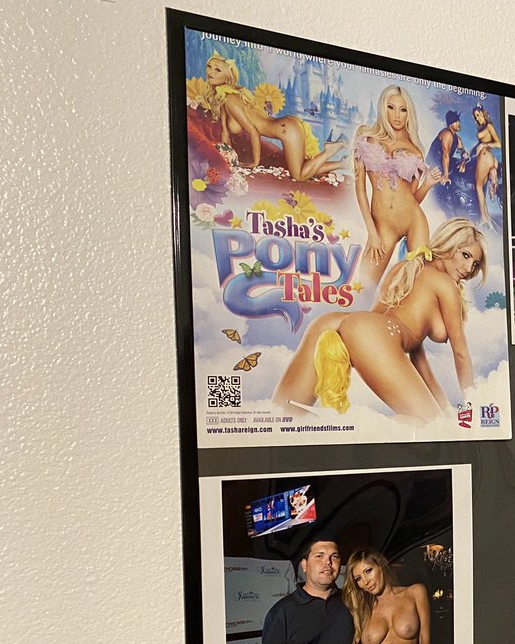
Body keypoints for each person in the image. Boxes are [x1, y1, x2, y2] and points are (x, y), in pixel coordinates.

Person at [272, 218, 486, 422]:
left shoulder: (406, 267)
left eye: (476, 264)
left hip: (340, 322)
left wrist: (444, 410)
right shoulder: (446, 285)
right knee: (429, 427)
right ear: (449, 243)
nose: (469, 269)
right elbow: (460, 353)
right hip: (374, 334)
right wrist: (472, 403)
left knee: (282, 416)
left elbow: (416, 355)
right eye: (465, 255)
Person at [202, 53, 347, 182]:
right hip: (287, 126)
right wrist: (226, 157)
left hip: (287, 129)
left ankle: (329, 151)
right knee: (302, 170)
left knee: (299, 176)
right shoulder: (225, 98)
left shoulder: (231, 99)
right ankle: (342, 163)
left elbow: (253, 131)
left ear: (227, 76)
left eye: (217, 69)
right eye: (209, 66)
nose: (210, 72)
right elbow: (225, 132)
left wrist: (255, 162)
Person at [354, 85, 444, 287]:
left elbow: (412, 198)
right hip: (383, 227)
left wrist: (427, 184)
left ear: (408, 113)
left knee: (418, 284)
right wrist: (372, 233)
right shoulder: (366, 139)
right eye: (391, 107)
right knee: (364, 286)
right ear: (383, 108)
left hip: (414, 221)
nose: (397, 115)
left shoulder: (415, 149)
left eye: (403, 110)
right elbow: (360, 190)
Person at [470, 106, 502, 228]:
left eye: (478, 115)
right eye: (475, 116)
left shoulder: (489, 126)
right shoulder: (482, 127)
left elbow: (499, 144)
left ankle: (483, 218)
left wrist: (484, 144)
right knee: (481, 188)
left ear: (483, 113)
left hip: (485, 157)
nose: (477, 118)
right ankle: (487, 217)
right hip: (485, 158)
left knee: (478, 187)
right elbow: (479, 145)